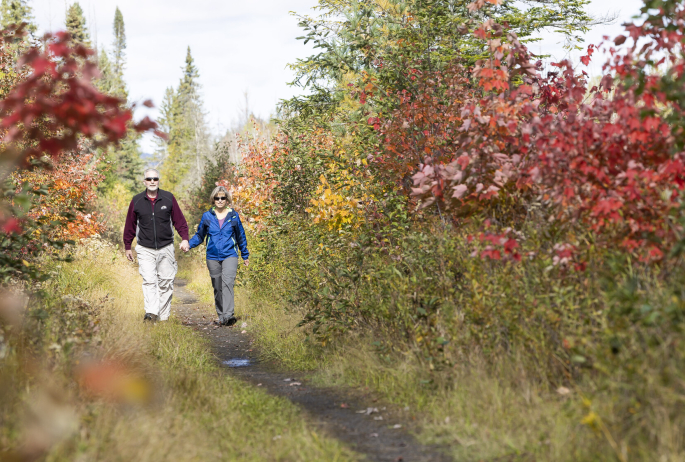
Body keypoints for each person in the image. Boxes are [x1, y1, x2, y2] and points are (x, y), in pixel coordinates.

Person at [123, 169, 190, 322]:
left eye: (155, 178)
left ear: (158, 180)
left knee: (166, 282)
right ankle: (151, 313)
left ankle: (163, 317)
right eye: (149, 179)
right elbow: (130, 225)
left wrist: (185, 239)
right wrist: (128, 246)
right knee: (149, 280)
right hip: (145, 248)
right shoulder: (137, 200)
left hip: (166, 247)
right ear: (144, 182)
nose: (152, 181)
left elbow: (180, 221)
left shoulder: (168, 198)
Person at [188, 186, 249, 326]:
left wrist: (245, 254)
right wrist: (188, 245)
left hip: (230, 254)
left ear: (227, 199)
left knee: (228, 283)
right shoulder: (207, 216)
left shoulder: (233, 216)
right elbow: (199, 236)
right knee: (217, 286)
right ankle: (221, 316)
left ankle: (228, 315)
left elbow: (241, 236)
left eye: (223, 198)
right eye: (217, 198)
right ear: (213, 199)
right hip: (212, 256)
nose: (220, 200)